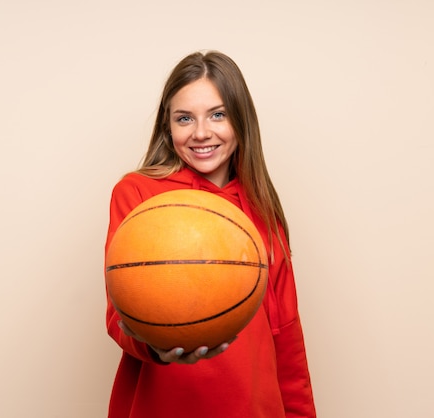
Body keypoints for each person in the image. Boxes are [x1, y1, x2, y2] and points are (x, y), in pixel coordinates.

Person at [104, 50, 317, 417]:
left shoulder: (262, 208)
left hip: (254, 408)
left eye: (218, 114)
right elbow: (118, 315)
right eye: (184, 118)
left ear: (241, 121)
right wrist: (156, 347)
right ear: (167, 129)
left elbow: (286, 336)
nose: (201, 132)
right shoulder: (138, 195)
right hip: (163, 407)